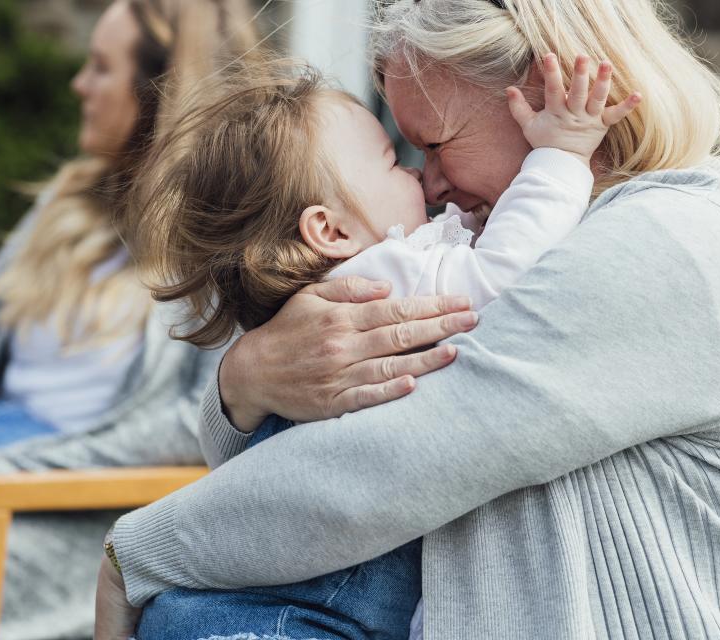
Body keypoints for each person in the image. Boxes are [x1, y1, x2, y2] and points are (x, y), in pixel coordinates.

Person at [96, 0, 720, 638]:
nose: (427, 185)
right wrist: (247, 378)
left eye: (432, 143)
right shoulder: (516, 238)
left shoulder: (671, 243)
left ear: (545, 88)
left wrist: (139, 552)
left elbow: (380, 472)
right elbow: (312, 449)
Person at [118, 53, 637, 640]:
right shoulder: (380, 277)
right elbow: (503, 273)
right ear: (331, 231)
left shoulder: (340, 285)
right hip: (294, 620)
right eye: (395, 162)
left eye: (433, 146)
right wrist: (561, 157)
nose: (422, 177)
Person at [0, 1, 260, 638]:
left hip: (58, 509)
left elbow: (192, 421)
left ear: (157, 96)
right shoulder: (67, 203)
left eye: (99, 67)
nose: (78, 84)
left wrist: (9, 471)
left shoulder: (222, 245)